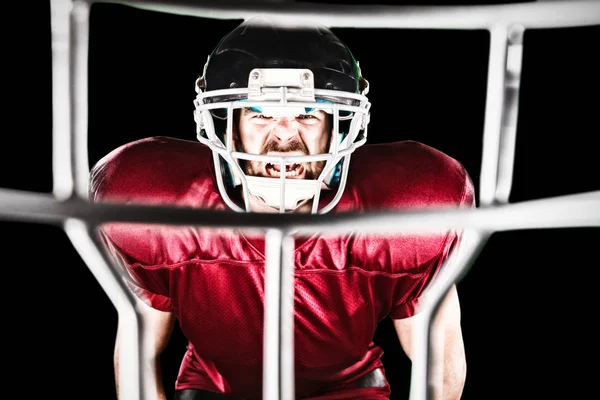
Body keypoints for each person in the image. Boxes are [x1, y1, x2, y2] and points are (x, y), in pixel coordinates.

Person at [89, 17, 474, 400]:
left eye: (308, 114)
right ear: (228, 126)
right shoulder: (158, 209)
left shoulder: (407, 213)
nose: (285, 135)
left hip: (346, 390)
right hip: (216, 389)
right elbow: (140, 350)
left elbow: (437, 358)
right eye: (260, 113)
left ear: (340, 127)